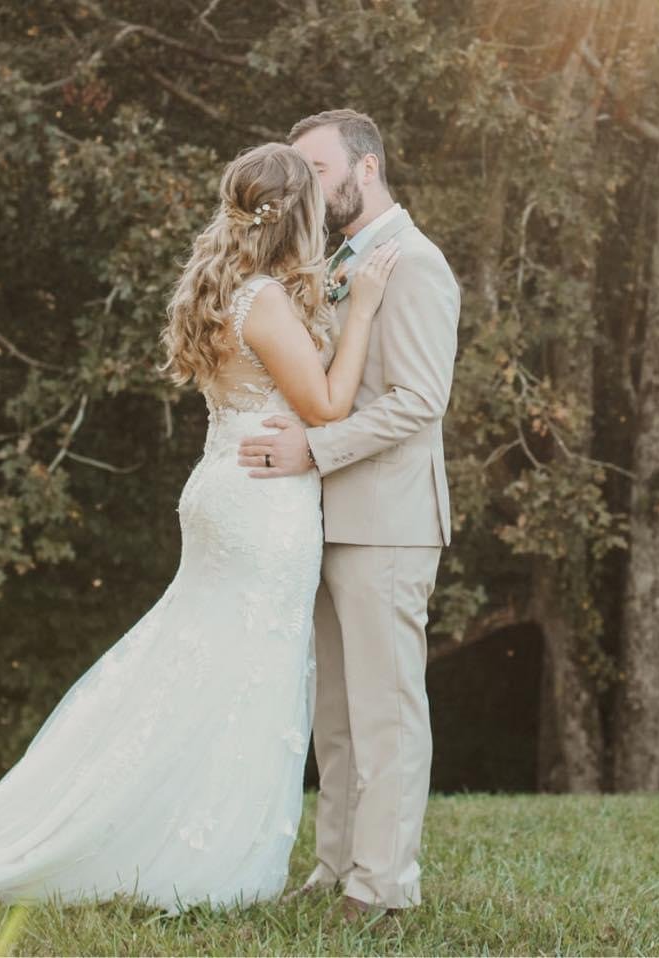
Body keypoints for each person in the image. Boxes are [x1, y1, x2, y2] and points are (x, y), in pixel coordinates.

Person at [0, 142, 399, 914]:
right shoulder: (265, 300)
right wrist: (365, 310)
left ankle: (139, 813)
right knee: (243, 674)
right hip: (261, 502)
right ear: (298, 215)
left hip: (224, 487)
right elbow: (329, 407)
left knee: (196, 663)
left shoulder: (228, 289)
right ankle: (194, 854)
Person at [238, 110, 460, 920]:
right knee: (334, 715)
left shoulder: (417, 264)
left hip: (389, 523)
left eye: (317, 167)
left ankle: (384, 887)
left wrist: (313, 453)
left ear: (365, 169)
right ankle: (334, 869)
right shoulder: (339, 262)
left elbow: (418, 402)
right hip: (327, 521)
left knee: (386, 711)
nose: (305, 183)